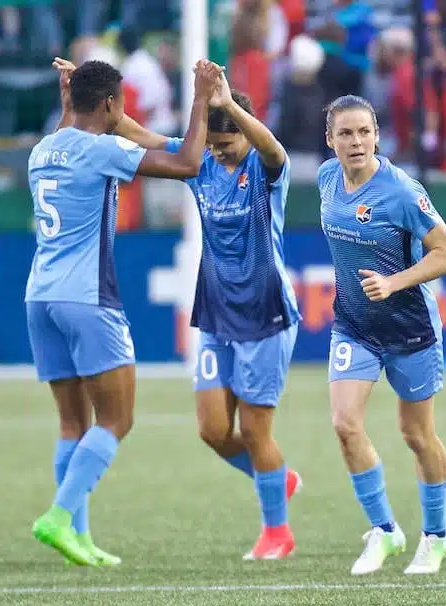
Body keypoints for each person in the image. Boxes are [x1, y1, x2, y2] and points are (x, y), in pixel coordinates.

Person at [98, 65, 307, 561]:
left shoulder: (265, 169)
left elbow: (274, 150)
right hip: (215, 310)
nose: (217, 151)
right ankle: (278, 478)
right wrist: (84, 90)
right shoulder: (203, 164)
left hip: (264, 311)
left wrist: (229, 104)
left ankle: (277, 532)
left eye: (226, 143)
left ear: (244, 134)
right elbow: (136, 131)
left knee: (256, 432)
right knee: (213, 431)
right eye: (212, 144)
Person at [26, 58, 216, 566]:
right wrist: (199, 96)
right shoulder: (102, 149)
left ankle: (78, 539)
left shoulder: (45, 148)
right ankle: (59, 518)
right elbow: (187, 165)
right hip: (86, 296)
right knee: (117, 420)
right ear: (111, 103)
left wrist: (69, 99)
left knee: (73, 424)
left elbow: (78, 123)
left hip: (39, 297)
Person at [317, 95, 446, 575]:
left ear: (377, 135)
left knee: (417, 435)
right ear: (330, 140)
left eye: (364, 132)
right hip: (354, 327)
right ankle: (384, 530)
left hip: (410, 329)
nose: (355, 142)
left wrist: (394, 282)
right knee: (344, 424)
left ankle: (436, 536)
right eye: (345, 133)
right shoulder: (325, 180)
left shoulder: (401, 190)